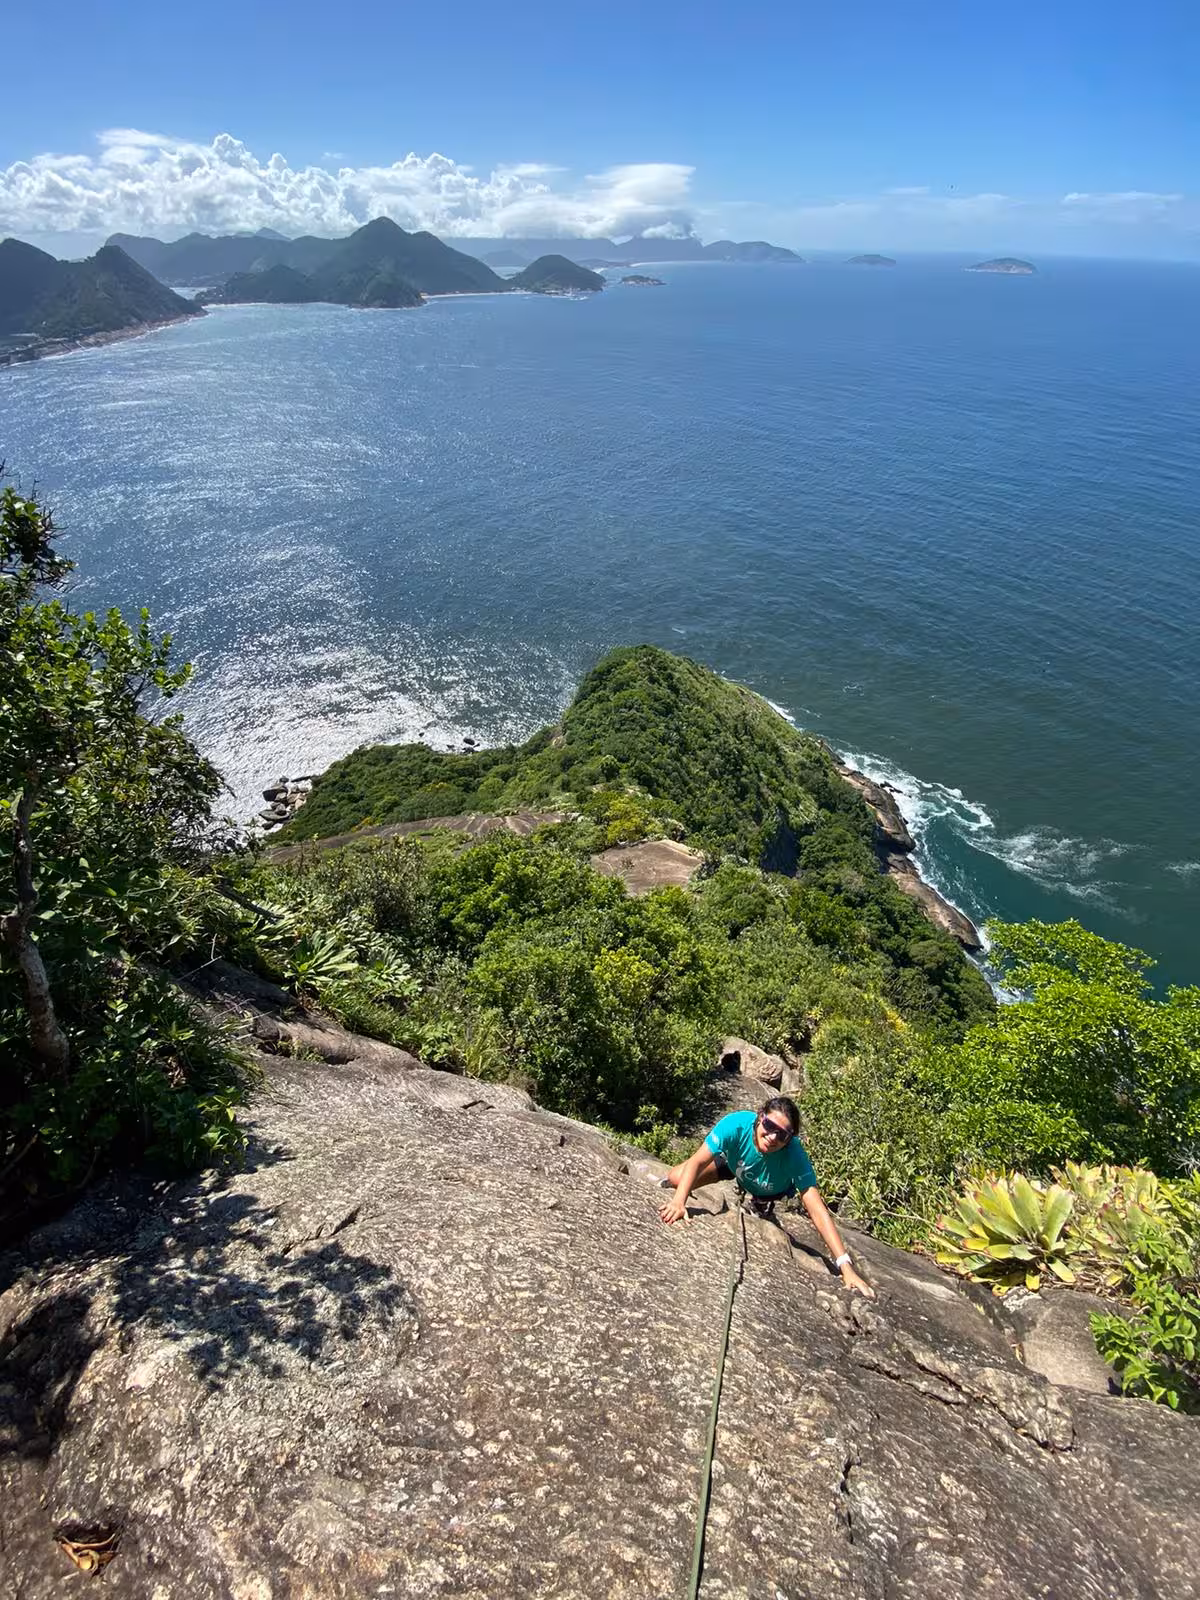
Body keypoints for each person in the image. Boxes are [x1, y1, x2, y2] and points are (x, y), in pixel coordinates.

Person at [659, 1095, 875, 1298]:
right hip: (736, 1167)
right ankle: (747, 1193)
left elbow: (816, 1208)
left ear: (790, 1139)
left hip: (772, 1187)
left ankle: (761, 1204)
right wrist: (679, 1201)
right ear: (760, 1116)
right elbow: (698, 1160)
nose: (772, 1137)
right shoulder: (736, 1125)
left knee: (762, 1196)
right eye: (769, 1126)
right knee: (676, 1177)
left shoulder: (794, 1154)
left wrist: (845, 1266)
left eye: (782, 1135)